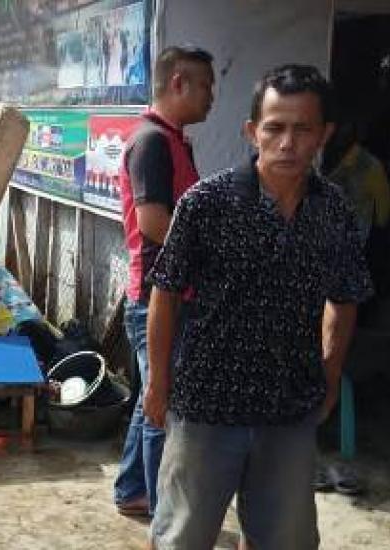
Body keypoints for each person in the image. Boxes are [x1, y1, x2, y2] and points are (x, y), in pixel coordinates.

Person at [144, 64, 373, 548]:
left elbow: (345, 296)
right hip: (206, 405)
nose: (288, 142)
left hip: (288, 410)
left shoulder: (333, 211)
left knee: (285, 540)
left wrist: (329, 377)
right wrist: (158, 383)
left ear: (324, 135)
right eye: (275, 127)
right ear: (253, 132)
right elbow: (164, 292)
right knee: (183, 537)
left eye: (302, 128)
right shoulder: (206, 204)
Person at [113, 45, 215, 518]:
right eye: (206, 84)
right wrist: (215, 251)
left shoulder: (173, 140)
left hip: (166, 294)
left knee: (152, 395)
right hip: (158, 298)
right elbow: (155, 222)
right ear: (179, 82)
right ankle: (164, 514)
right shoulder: (152, 141)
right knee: (161, 405)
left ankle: (131, 488)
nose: (213, 94)